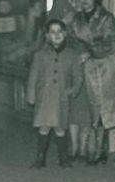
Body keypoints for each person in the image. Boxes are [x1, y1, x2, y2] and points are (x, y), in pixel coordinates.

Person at [69, 0, 115, 164]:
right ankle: (99, 149)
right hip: (91, 67)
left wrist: (90, 50)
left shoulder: (106, 17)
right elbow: (73, 40)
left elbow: (112, 43)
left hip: (110, 65)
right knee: (96, 107)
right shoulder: (76, 20)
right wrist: (82, 51)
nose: (85, 0)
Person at [25, 19, 90, 169]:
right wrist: (31, 94)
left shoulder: (71, 55)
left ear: (65, 34)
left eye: (59, 31)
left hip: (62, 97)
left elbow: (78, 75)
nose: (56, 35)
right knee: (44, 126)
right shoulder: (40, 55)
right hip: (45, 97)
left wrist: (73, 90)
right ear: (47, 36)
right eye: (53, 32)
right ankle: (40, 158)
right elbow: (33, 76)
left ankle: (63, 158)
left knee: (61, 128)